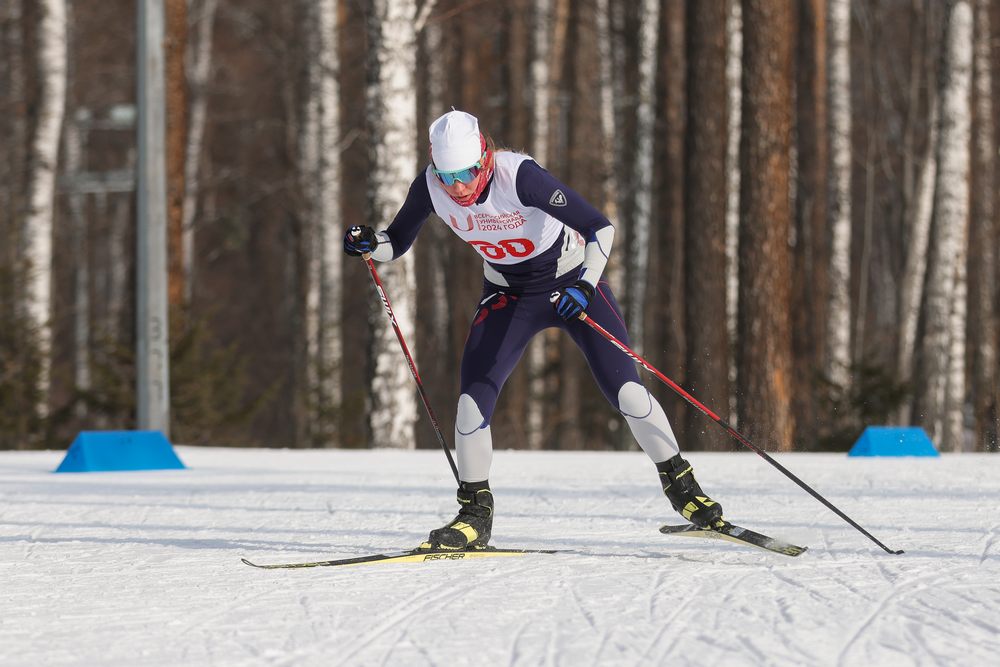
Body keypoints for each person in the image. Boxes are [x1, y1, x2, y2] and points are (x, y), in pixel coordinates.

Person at [344, 109, 724, 550]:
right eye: (448, 175)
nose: (459, 187)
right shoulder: (431, 186)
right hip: (510, 296)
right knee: (470, 404)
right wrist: (371, 244)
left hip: (572, 286)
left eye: (467, 172)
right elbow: (398, 240)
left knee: (629, 393)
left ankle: (685, 491)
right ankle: (474, 514)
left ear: (484, 157)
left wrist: (584, 284)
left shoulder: (519, 176)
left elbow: (601, 227)